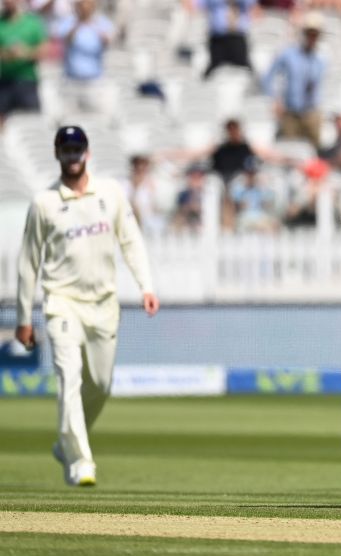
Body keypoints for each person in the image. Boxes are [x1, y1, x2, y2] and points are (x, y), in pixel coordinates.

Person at [16, 125, 159, 487]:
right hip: (62, 303)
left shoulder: (109, 193)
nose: (72, 156)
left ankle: (65, 443)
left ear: (88, 153)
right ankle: (80, 459)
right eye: (65, 149)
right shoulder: (44, 203)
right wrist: (23, 317)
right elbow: (28, 263)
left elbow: (131, 241)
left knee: (100, 383)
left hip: (104, 304)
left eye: (77, 149)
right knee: (68, 379)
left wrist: (146, 286)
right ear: (56, 153)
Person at [261, 11, 326, 148]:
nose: (311, 38)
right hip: (290, 112)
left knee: (316, 150)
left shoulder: (320, 59)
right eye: (309, 33)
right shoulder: (288, 54)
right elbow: (268, 77)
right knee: (290, 150)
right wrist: (275, 100)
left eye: (315, 34)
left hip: (311, 112)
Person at [0, 0, 47, 125]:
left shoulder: (32, 22)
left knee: (32, 121)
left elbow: (43, 50)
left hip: (27, 81)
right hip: (4, 82)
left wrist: (25, 53)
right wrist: (7, 54)